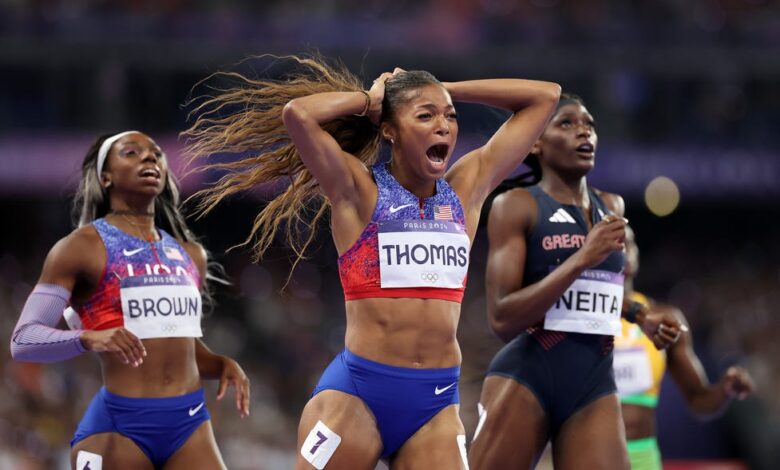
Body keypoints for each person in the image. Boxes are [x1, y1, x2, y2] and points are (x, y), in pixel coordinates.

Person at [181, 55, 561, 468]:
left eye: (450, 116)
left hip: (435, 403)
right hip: (360, 395)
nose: (443, 126)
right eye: (426, 115)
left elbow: (545, 97)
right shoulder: (358, 190)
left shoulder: (466, 191)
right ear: (389, 130)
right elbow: (298, 115)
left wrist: (443, 89)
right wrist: (370, 100)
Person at [10, 131, 250, 470]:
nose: (149, 157)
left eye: (156, 153)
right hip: (120, 428)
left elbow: (175, 342)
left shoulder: (190, 255)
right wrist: (89, 338)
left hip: (190, 423)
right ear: (105, 177)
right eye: (131, 152)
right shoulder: (81, 248)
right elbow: (23, 341)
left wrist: (220, 363)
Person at [468, 94, 684, 470]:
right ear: (537, 142)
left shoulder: (611, 206)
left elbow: (601, 292)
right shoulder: (517, 205)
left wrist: (640, 315)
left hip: (594, 380)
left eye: (589, 125)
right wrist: (583, 256)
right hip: (529, 374)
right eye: (567, 123)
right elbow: (502, 318)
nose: (584, 132)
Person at [615, 225, 754, 470]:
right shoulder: (575, 317)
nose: (624, 250)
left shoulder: (664, 319)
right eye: (615, 242)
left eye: (630, 242)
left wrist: (725, 390)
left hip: (643, 457)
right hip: (589, 454)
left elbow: (699, 400)